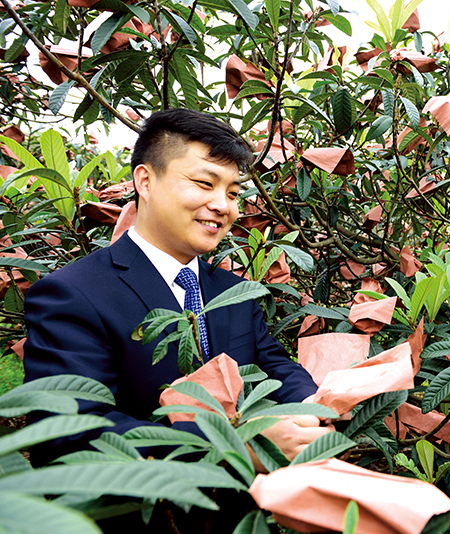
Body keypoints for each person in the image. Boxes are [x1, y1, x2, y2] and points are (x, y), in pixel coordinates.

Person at [23, 108, 332, 468]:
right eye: (204, 184)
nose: (222, 206)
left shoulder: (234, 292)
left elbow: (272, 364)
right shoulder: (72, 294)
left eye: (233, 193)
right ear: (145, 181)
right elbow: (69, 432)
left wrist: (308, 404)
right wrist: (234, 449)